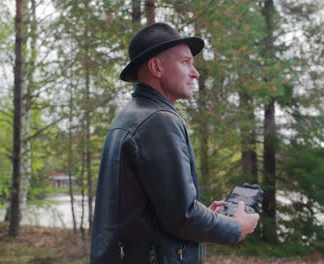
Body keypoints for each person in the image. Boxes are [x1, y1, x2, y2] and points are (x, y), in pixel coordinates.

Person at [91, 22, 260, 264]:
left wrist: (211, 217)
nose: (195, 72)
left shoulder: (130, 115)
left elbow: (160, 210)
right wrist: (235, 227)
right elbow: (183, 216)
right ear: (156, 67)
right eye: (185, 62)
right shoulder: (158, 120)